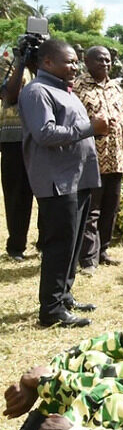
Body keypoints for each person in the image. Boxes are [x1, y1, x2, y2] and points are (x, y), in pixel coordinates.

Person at [17, 39, 107, 328]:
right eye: (69, 61)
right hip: (57, 180)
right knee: (59, 245)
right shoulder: (37, 91)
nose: (75, 65)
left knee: (73, 242)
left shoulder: (62, 89)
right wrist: (91, 127)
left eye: (76, 61)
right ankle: (51, 310)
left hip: (77, 178)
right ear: (47, 62)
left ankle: (64, 295)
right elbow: (45, 134)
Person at [72, 46, 123, 274]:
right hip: (90, 160)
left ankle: (103, 251)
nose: (105, 64)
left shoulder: (115, 87)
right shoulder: (78, 87)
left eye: (108, 60)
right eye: (100, 60)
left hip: (116, 160)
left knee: (111, 208)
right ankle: (88, 258)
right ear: (87, 62)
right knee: (91, 210)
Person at [0, 34, 38, 261]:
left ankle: (45, 243)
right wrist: (21, 61)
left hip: (42, 138)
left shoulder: (49, 65)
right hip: (14, 139)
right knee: (16, 195)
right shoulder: (11, 67)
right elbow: (10, 96)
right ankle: (16, 246)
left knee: (48, 194)